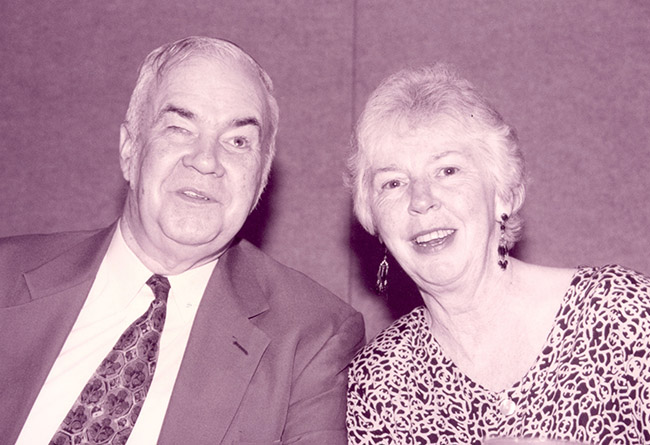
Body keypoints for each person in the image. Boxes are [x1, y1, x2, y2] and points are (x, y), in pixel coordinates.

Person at [0, 36, 364, 445]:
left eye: (238, 141)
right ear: (130, 149)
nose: (206, 160)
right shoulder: (6, 276)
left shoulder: (310, 335)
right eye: (180, 128)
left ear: (261, 180)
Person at [345, 64, 650, 444]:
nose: (420, 201)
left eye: (447, 170)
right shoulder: (377, 385)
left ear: (503, 193)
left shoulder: (623, 313)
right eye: (393, 182)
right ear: (373, 219)